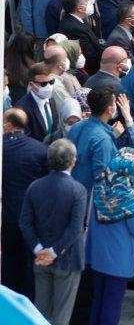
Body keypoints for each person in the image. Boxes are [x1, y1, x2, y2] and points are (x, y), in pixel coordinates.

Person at [19, 138, 86, 325]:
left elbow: (25, 222)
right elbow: (75, 228)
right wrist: (54, 252)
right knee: (61, 317)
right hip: (68, 260)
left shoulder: (34, 187)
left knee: (40, 313)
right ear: (73, 161)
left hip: (40, 259)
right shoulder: (78, 190)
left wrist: (40, 250)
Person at [86, 147, 134, 325]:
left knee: (98, 300)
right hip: (119, 258)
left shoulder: (99, 183)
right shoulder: (126, 191)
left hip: (98, 254)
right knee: (112, 304)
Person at [2, 109, 49, 298]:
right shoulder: (40, 150)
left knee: (8, 266)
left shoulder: (2, 149)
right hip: (31, 218)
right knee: (30, 268)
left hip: (6, 216)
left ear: (8, 124)